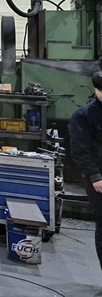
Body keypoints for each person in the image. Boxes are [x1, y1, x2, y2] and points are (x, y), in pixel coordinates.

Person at [68, 70, 102, 268]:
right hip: (98, 178)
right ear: (96, 90)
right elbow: (80, 149)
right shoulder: (83, 116)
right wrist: (95, 176)